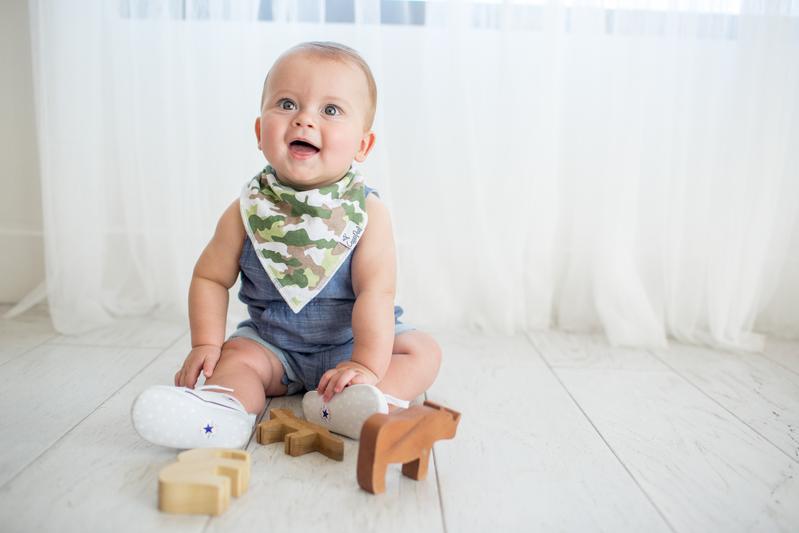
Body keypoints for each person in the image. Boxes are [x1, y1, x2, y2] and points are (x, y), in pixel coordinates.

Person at [131, 42, 441, 449]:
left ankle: (363, 402)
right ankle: (222, 415)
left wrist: (366, 363)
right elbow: (209, 276)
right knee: (237, 359)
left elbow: (376, 293)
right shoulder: (247, 210)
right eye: (287, 104)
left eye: (330, 110)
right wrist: (206, 343)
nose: (304, 121)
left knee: (422, 351)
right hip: (274, 348)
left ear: (363, 146)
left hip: (354, 345)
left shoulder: (366, 213)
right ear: (261, 132)